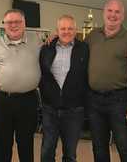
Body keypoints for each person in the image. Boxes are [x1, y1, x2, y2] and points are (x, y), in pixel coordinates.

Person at [86, 0, 127, 162]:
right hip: (94, 100)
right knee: (98, 147)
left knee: (125, 147)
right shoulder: (92, 36)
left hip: (120, 101)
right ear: (103, 13)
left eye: (117, 12)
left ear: (123, 16)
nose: (113, 15)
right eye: (110, 11)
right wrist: (55, 36)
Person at [0, 9, 41, 162]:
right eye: (9, 22)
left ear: (24, 23)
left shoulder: (37, 40)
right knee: (2, 144)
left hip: (28, 100)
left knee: (26, 143)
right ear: (4, 24)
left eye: (17, 21)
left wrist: (55, 37)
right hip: (2, 100)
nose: (13, 25)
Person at [39, 15, 89, 162]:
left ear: (76, 30)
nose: (66, 31)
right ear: (57, 30)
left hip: (74, 110)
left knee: (70, 154)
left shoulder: (84, 49)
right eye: (63, 28)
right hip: (50, 108)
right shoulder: (46, 48)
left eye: (70, 28)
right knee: (47, 151)